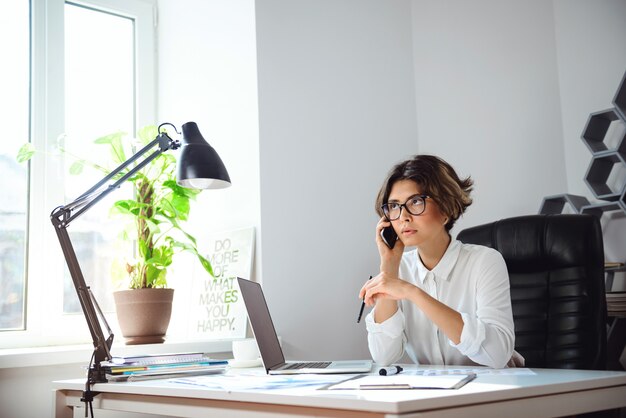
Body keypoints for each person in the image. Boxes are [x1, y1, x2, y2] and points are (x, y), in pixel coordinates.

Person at [359, 154, 520, 368]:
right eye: (394, 206)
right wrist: (388, 267)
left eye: (416, 202)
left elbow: (498, 354)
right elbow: (384, 357)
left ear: (445, 208)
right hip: (434, 395)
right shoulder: (400, 270)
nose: (404, 217)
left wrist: (413, 293)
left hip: (494, 392)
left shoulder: (485, 261)